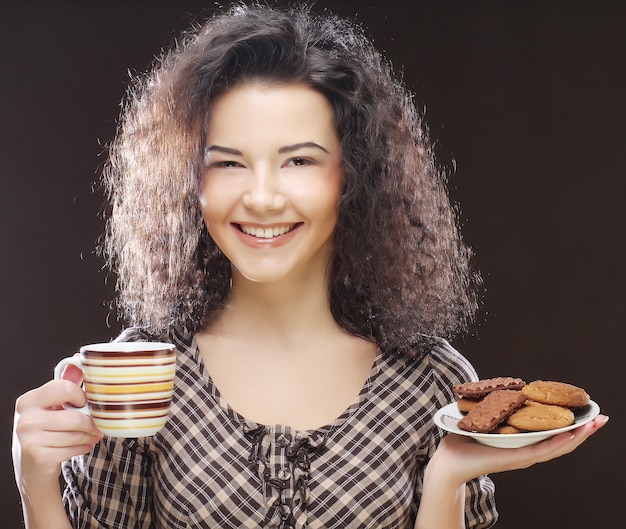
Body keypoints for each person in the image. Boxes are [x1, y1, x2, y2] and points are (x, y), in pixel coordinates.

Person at [12, 3, 607, 529]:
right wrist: (35, 480)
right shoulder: (141, 372)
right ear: (188, 181)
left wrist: (447, 478)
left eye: (298, 161)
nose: (263, 198)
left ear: (353, 176)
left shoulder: (429, 378)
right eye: (228, 164)